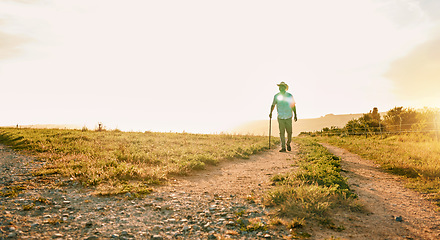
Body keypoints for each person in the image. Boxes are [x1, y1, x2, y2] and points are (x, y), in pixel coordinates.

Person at [269, 82, 297, 152]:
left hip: (288, 116)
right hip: (280, 116)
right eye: (279, 87)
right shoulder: (276, 96)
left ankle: (288, 143)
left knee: (289, 132)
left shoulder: (289, 95)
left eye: (282, 87)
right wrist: (270, 113)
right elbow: (273, 105)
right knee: (281, 132)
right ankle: (283, 147)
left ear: (285, 88)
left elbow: (293, 105)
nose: (280, 88)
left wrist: (295, 114)